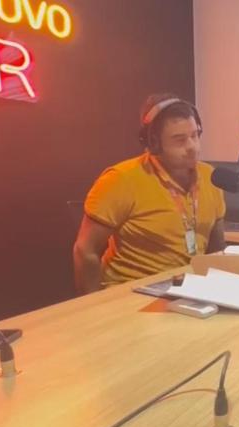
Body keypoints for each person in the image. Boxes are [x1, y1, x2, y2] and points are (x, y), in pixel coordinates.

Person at [73, 93, 226, 293]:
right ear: (154, 143)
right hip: (130, 294)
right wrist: (94, 305)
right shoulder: (121, 179)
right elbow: (85, 251)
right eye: (179, 140)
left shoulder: (211, 177)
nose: (192, 147)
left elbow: (217, 250)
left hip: (186, 290)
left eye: (195, 135)